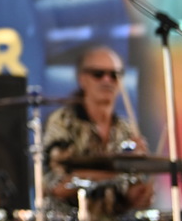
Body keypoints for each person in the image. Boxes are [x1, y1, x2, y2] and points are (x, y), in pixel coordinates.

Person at [42, 46, 154, 220]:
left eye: (114, 75)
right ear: (82, 79)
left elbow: (126, 195)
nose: (107, 80)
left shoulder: (126, 129)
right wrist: (118, 170)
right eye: (98, 74)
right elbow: (58, 186)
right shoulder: (63, 121)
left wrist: (138, 195)